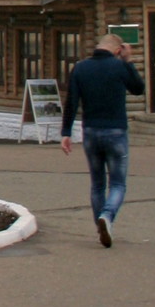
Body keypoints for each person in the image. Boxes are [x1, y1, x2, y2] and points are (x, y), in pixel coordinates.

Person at [60, 33, 145, 246]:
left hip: (90, 131)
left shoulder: (80, 68)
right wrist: (128, 61)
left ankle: (101, 228)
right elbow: (138, 89)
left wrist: (66, 133)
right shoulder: (119, 66)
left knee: (97, 184)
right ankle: (106, 216)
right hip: (115, 131)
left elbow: (71, 101)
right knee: (117, 183)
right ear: (118, 50)